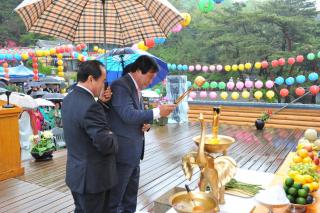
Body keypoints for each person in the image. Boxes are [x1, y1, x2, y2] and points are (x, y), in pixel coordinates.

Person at [108, 55, 176, 213]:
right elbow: (127, 114)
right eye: (150, 76)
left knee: (130, 197)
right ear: (138, 71)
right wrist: (157, 112)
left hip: (134, 152)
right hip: (122, 152)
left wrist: (144, 123)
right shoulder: (120, 85)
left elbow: (135, 116)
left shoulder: (135, 88)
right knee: (116, 199)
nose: (151, 81)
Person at [61, 60, 118, 213]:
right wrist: (113, 135)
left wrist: (100, 103)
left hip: (76, 175)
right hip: (94, 179)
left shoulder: (68, 100)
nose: (103, 85)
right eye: (102, 81)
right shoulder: (90, 106)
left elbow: (82, 126)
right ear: (91, 79)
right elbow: (106, 144)